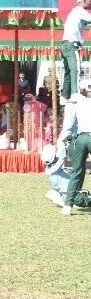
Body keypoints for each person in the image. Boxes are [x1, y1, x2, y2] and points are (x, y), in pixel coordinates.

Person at [59, 79, 91, 215]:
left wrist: (62, 139)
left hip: (81, 138)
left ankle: (68, 205)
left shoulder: (76, 103)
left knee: (76, 172)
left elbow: (68, 124)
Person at [61, 0, 91, 103]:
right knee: (76, 69)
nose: (90, 2)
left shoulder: (75, 12)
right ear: (84, 0)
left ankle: (65, 96)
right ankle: (75, 93)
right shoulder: (79, 11)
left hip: (65, 44)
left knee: (68, 71)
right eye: (89, 0)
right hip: (72, 44)